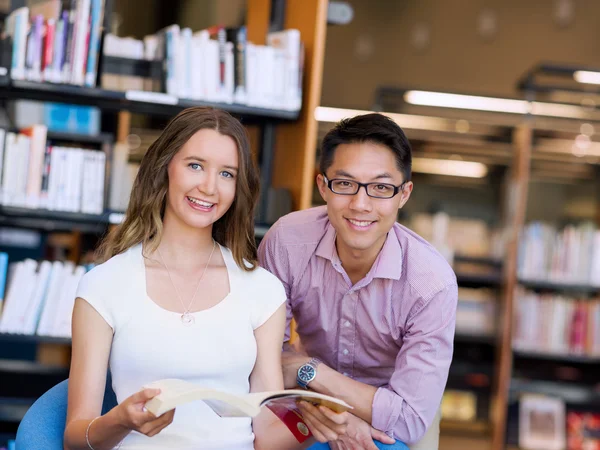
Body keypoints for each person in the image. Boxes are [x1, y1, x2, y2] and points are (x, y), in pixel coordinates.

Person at [64, 107, 349, 450]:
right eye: (195, 165)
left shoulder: (262, 290)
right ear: (165, 168)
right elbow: (75, 439)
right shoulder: (104, 285)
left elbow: (267, 434)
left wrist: (309, 423)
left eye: (227, 174)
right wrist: (119, 421)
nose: (210, 187)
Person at [258, 113, 458, 450]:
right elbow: (261, 358)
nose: (360, 204)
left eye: (380, 188)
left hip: (392, 416)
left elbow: (409, 418)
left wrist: (311, 371)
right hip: (304, 401)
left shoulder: (431, 283)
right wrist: (319, 405)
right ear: (323, 186)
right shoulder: (287, 242)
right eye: (345, 184)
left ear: (404, 194)